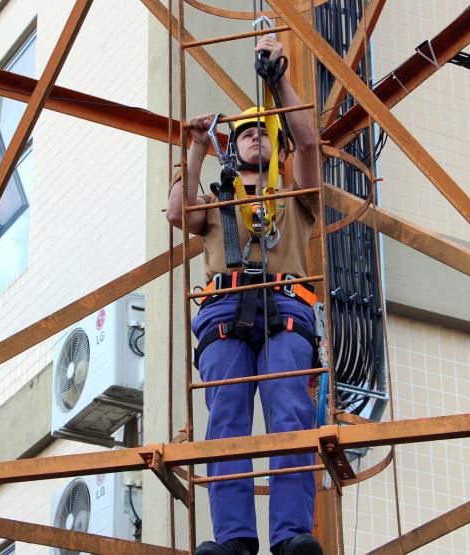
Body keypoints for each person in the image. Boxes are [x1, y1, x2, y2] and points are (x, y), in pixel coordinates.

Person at [166, 36, 323, 555]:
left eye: (264, 131)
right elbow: (178, 213)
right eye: (246, 133)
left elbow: (306, 144)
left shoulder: (294, 195)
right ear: (232, 149)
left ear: (276, 146)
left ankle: (291, 535)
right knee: (227, 419)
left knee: (290, 414)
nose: (255, 138)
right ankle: (234, 538)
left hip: (287, 307)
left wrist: (277, 77)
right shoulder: (218, 201)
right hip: (227, 310)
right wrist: (195, 145)